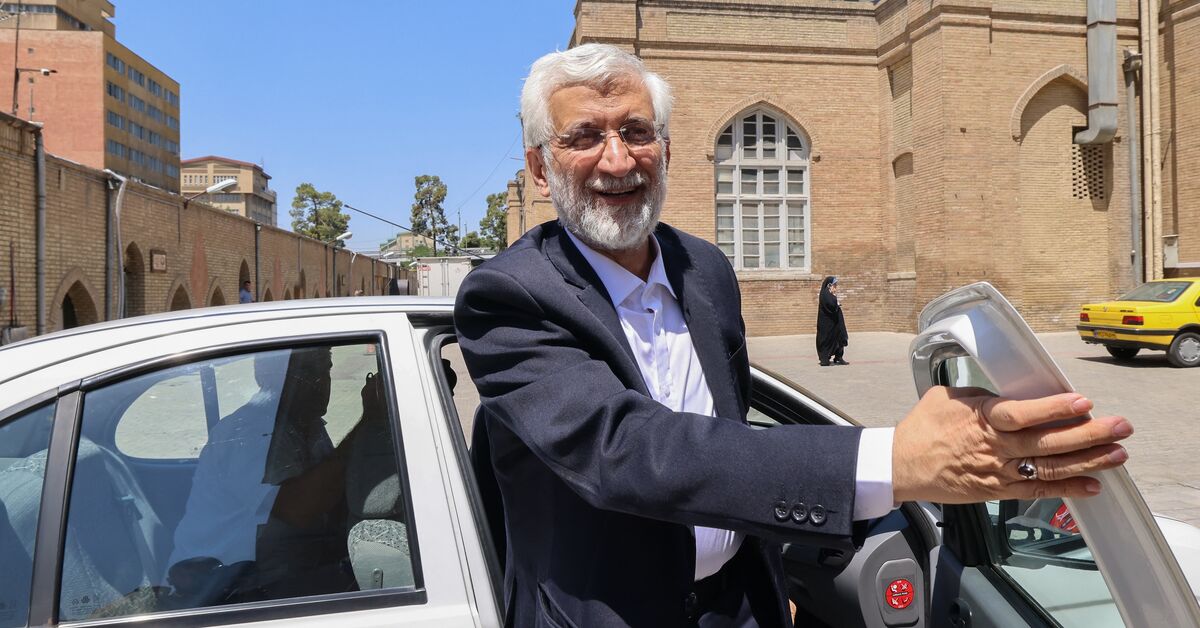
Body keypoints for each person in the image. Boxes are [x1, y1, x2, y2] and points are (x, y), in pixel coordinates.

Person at [454, 43, 1133, 628]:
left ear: (666, 149)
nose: (616, 159)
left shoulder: (703, 269)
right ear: (539, 169)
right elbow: (628, 451)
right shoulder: (508, 296)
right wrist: (894, 460)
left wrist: (771, 575)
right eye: (583, 137)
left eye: (636, 131)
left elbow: (729, 431)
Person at [816, 276, 848, 366]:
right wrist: (835, 300)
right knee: (826, 340)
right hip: (827, 324)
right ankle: (825, 359)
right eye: (834, 285)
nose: (835, 287)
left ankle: (838, 357)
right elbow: (831, 306)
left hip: (835, 322)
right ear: (829, 285)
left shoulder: (829, 294)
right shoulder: (825, 294)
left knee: (840, 337)